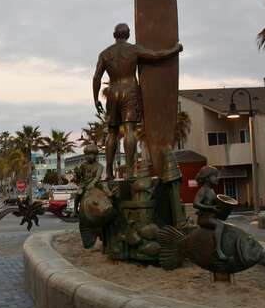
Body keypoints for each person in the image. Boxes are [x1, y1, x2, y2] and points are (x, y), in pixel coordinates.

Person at [92, 23, 182, 179]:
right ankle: (129, 171)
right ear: (128, 35)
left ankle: (109, 172)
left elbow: (96, 78)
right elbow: (156, 55)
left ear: (114, 35)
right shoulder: (134, 49)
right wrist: (175, 49)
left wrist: (95, 99)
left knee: (112, 131)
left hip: (113, 92)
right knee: (129, 129)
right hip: (130, 91)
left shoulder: (105, 54)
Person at [193, 166, 227, 261]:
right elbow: (195, 203)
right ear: (207, 178)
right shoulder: (203, 190)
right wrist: (210, 208)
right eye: (215, 176)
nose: (217, 178)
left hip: (210, 216)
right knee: (220, 225)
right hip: (204, 218)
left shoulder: (211, 190)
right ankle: (218, 250)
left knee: (224, 224)